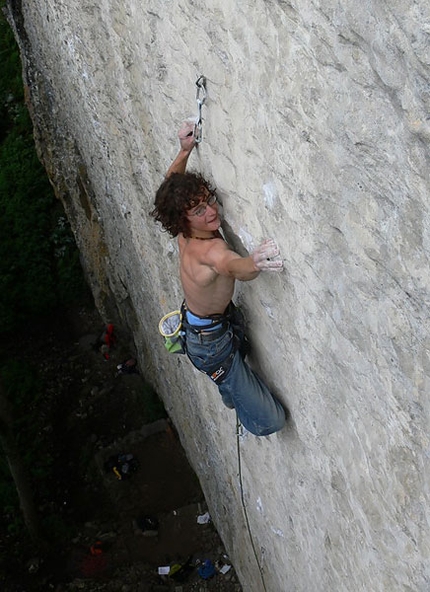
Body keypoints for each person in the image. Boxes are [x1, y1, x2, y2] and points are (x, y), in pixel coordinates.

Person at [151, 120, 286, 436]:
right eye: (199, 210)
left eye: (209, 200)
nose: (211, 211)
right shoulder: (211, 251)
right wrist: (254, 260)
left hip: (201, 329)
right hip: (211, 344)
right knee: (272, 421)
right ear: (183, 218)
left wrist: (185, 150)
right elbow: (236, 268)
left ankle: (228, 385)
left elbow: (172, 180)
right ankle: (239, 402)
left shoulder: (184, 232)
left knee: (230, 369)